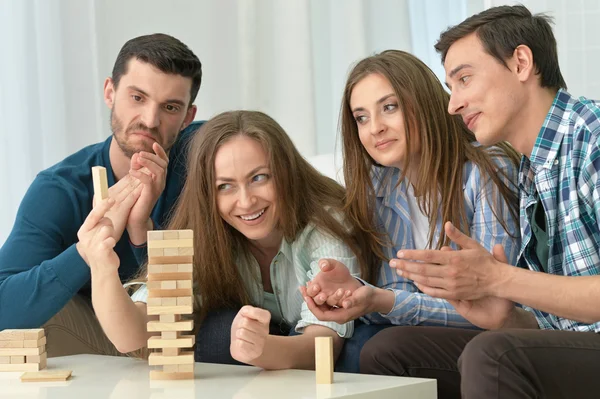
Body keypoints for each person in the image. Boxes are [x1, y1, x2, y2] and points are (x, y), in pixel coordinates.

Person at [362, 5, 600, 399]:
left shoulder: (591, 137)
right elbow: (558, 329)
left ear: (521, 63)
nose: (453, 104)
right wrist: (506, 315)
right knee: (389, 352)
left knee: (493, 355)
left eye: (465, 79)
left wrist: (499, 277)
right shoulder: (532, 168)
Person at [77, 110, 378, 369]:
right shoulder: (203, 233)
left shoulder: (325, 224)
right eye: (225, 186)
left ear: (286, 173)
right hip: (264, 360)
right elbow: (134, 334)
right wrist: (102, 266)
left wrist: (262, 349)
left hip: (338, 357)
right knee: (219, 330)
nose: (246, 202)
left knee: (358, 350)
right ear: (208, 193)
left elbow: (324, 346)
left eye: (259, 177)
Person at [300, 49, 521, 376]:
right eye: (361, 117)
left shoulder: (485, 170)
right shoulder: (379, 186)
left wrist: (379, 300)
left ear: (424, 104)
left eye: (389, 108)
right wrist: (355, 293)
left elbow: (495, 307)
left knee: (376, 348)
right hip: (429, 334)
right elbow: (396, 297)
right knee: (357, 342)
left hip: (499, 336)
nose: (375, 128)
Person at [0, 33, 203, 358]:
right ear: (110, 92)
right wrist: (87, 251)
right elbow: (3, 308)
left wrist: (141, 232)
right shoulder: (61, 189)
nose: (150, 120)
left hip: (200, 325)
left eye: (169, 107)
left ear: (188, 117)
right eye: (137, 98)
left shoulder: (210, 157)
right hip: (106, 339)